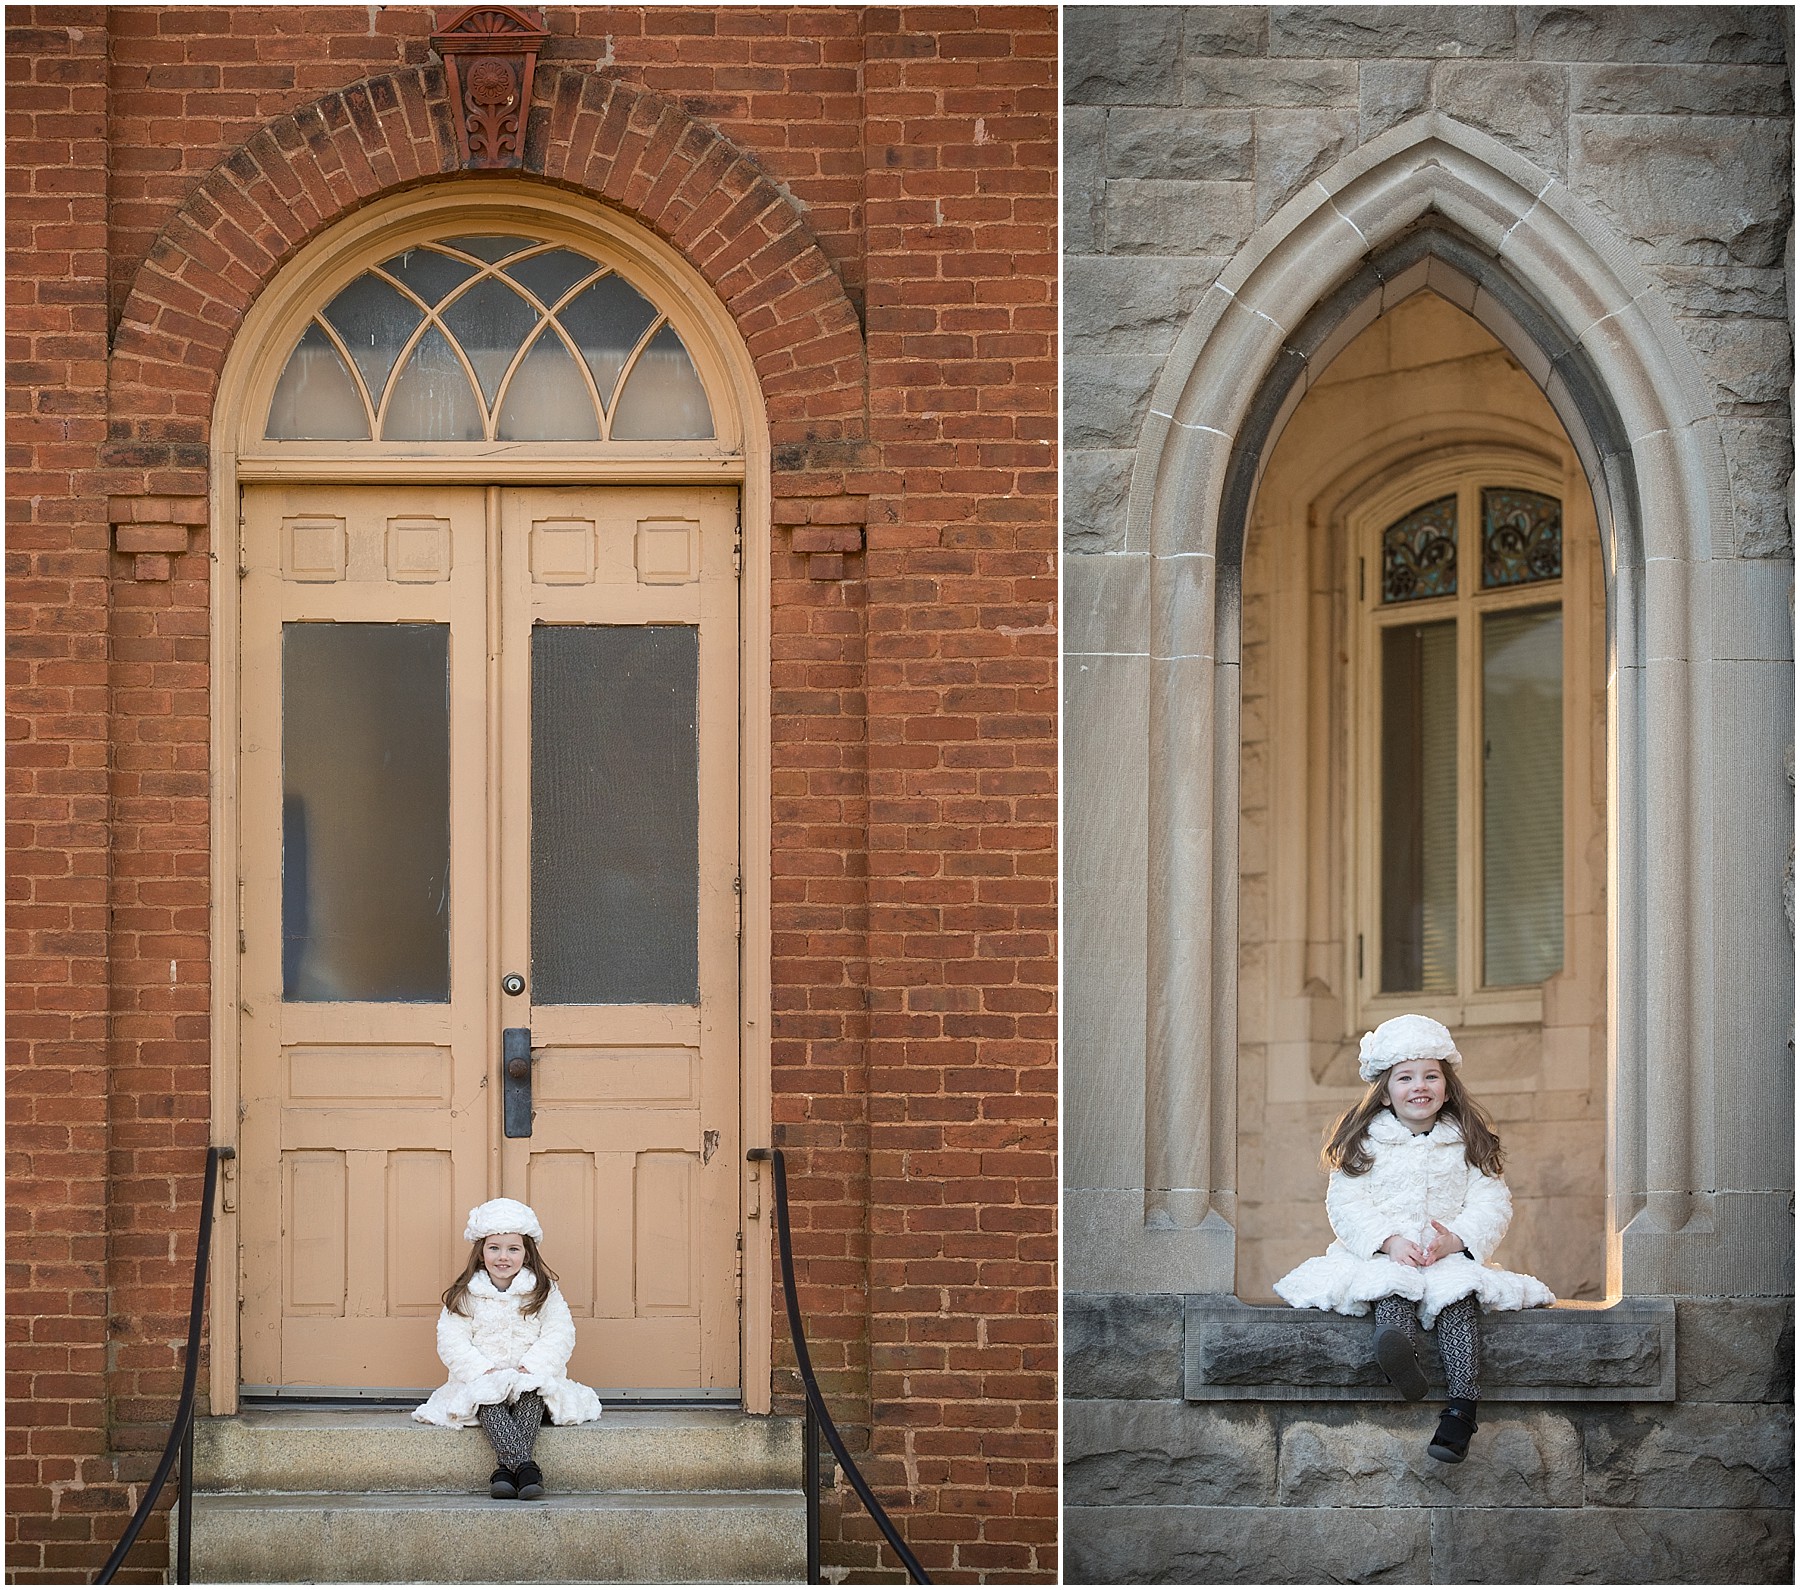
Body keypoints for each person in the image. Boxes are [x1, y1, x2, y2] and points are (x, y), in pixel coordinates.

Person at [1273, 1013, 1553, 1464]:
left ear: (1447, 1086)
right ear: (1385, 1092)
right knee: (1390, 1290)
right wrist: (1387, 1241)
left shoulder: (1467, 1142)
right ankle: (1400, 1358)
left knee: (1457, 1299)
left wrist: (1456, 1239)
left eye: (1430, 1076)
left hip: (1444, 1257)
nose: (1419, 1086)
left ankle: (1461, 1412)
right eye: (1405, 1077)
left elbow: (1492, 1203)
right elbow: (1347, 1205)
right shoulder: (1365, 1143)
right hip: (1388, 1254)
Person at [413, 1197, 603, 1498]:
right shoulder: (467, 1293)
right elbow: (451, 1339)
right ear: (480, 1252)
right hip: (483, 1378)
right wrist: (482, 1371)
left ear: (526, 1253)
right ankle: (525, 1468)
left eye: (513, 1249)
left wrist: (535, 1366)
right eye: (494, 1248)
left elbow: (560, 1331)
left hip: (529, 1374)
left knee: (532, 1393)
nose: (503, 1257)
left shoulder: (543, 1290)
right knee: (488, 1395)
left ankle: (505, 1470)